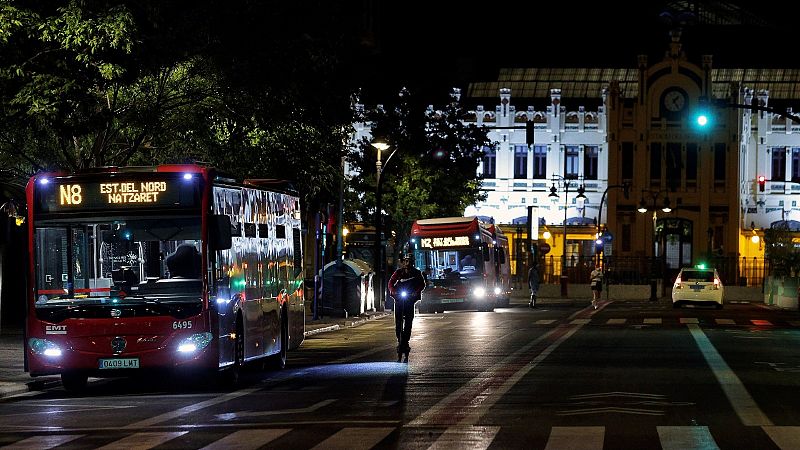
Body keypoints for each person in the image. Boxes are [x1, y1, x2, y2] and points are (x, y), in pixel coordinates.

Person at [387, 253, 426, 363]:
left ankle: (406, 341)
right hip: (399, 299)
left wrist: (416, 292)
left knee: (408, 322)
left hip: (410, 300)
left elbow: (422, 285)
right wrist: (393, 291)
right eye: (405, 261)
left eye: (409, 261)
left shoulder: (416, 273)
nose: (407, 264)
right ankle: (400, 340)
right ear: (403, 262)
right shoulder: (398, 273)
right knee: (398, 322)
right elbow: (391, 282)